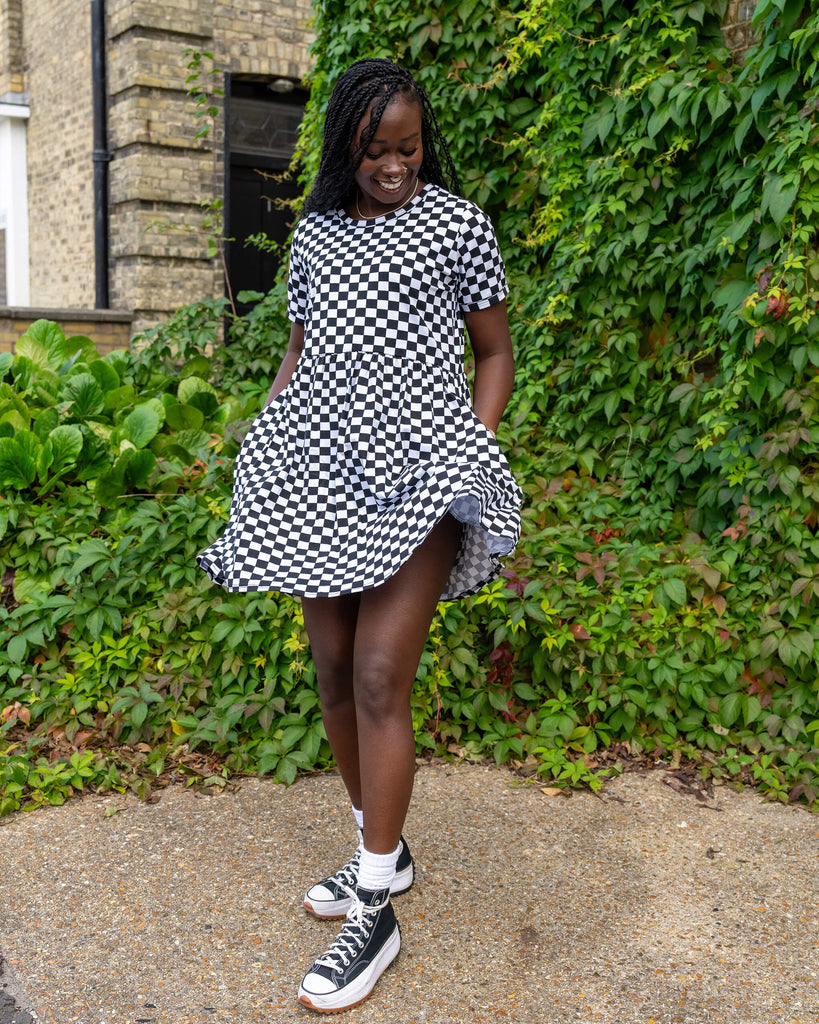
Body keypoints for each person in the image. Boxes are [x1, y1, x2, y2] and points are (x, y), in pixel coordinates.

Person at [198, 57, 522, 1014]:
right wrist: (265, 439)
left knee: (382, 674)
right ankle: (381, 848)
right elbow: (299, 354)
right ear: (347, 143)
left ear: (426, 143)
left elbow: (494, 352)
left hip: (421, 472)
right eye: (376, 148)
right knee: (333, 667)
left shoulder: (457, 224)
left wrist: (471, 445)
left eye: (409, 147)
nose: (394, 164)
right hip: (317, 474)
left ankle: (373, 910)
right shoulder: (316, 236)